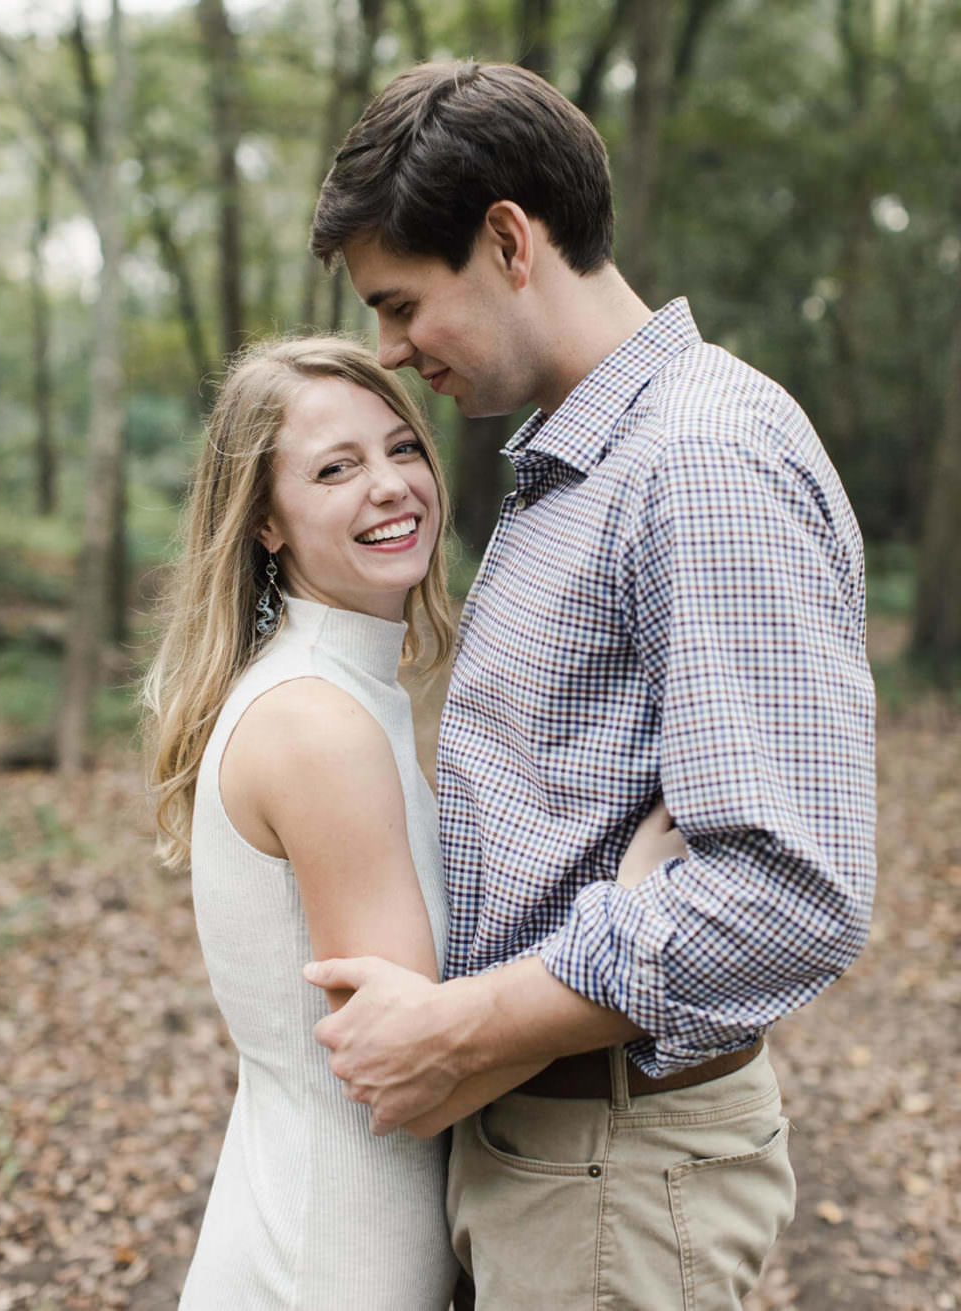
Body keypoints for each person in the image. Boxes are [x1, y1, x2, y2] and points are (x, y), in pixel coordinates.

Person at [299, 61, 876, 1308]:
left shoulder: (697, 460)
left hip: (612, 1175)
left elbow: (789, 892)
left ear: (507, 239)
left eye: (400, 303)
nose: (389, 349)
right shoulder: (575, 461)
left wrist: (459, 1032)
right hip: (542, 1157)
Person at [144, 337, 681, 1307]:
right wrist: (632, 910)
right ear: (264, 523)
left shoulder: (340, 690)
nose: (389, 486)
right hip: (334, 1253)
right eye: (334, 469)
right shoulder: (317, 724)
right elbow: (418, 1074)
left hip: (327, 1220)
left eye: (399, 448)